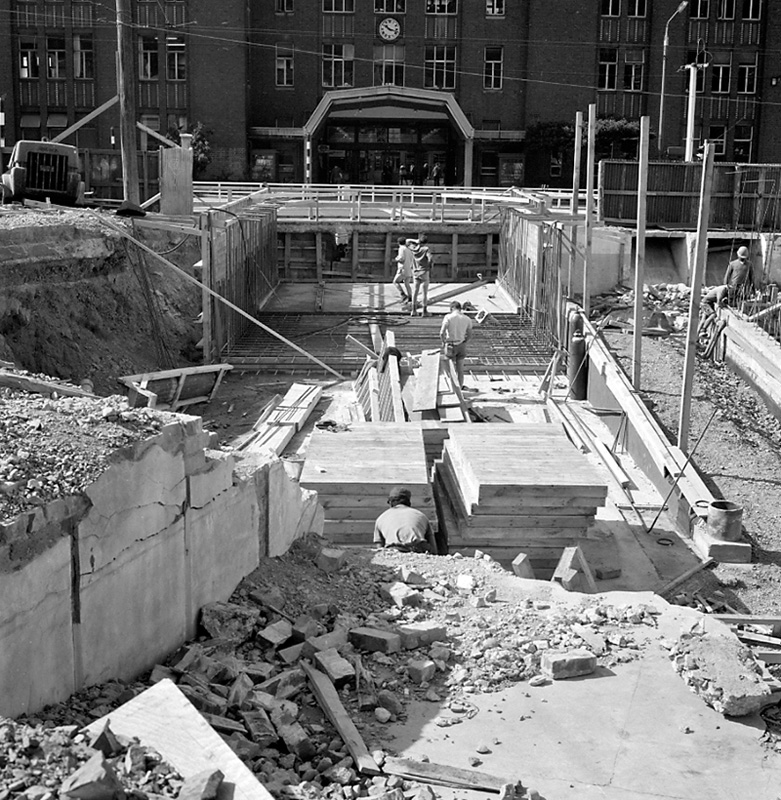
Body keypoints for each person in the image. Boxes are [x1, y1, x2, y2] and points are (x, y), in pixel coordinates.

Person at [373, 487, 435, 553]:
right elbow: (433, 546)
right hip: (418, 548)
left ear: (390, 502)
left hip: (394, 549)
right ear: (408, 501)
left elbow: (379, 549)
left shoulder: (381, 518)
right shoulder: (421, 516)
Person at [440, 300, 473, 390]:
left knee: (450, 369)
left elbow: (441, 332)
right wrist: (464, 342)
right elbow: (469, 335)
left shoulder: (448, 317)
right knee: (460, 369)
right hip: (461, 345)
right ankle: (460, 387)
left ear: (452, 308)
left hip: (450, 345)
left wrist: (443, 342)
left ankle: (452, 387)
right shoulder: (467, 319)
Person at [406, 234, 434, 316]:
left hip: (415, 272)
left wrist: (416, 241)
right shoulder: (426, 249)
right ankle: (424, 311)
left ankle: (413, 310)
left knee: (415, 291)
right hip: (424, 271)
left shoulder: (414, 248)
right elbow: (430, 258)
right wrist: (430, 266)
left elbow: (407, 241)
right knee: (424, 293)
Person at [392, 236, 414, 303]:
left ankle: (403, 295)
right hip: (409, 269)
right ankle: (410, 298)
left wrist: (396, 259)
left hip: (402, 269)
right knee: (407, 284)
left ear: (398, 243)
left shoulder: (401, 249)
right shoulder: (409, 250)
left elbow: (401, 259)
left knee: (395, 282)